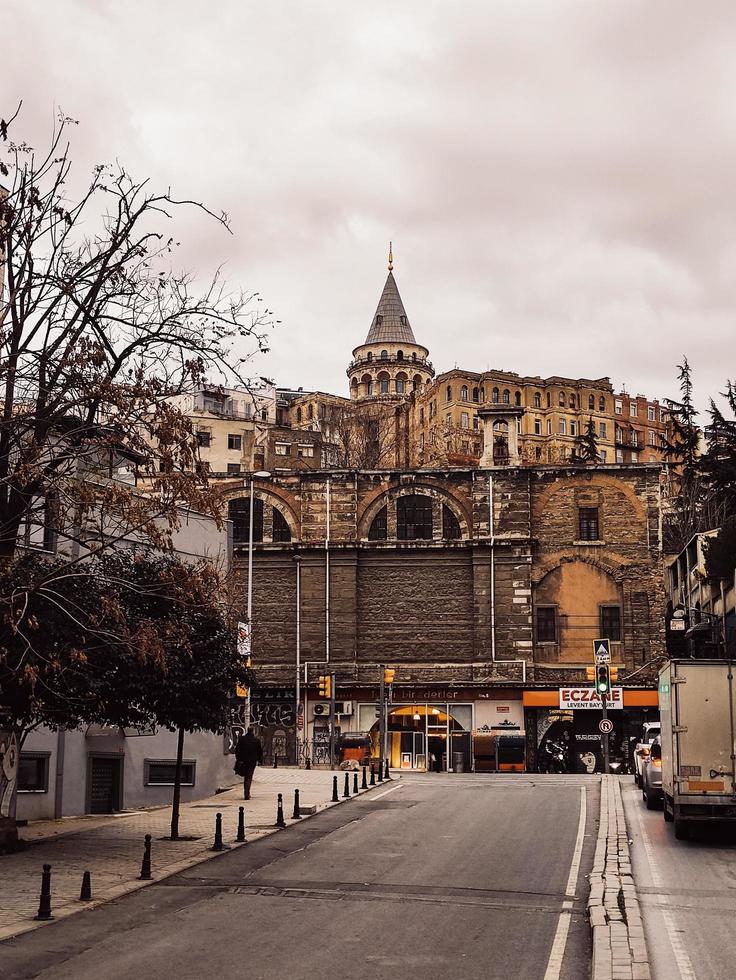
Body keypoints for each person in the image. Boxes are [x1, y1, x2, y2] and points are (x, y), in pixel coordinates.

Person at [235, 728, 263, 800]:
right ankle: (247, 793)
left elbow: (237, 750)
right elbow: (259, 751)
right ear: (253, 731)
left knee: (246, 777)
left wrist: (239, 759)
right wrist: (260, 760)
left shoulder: (242, 739)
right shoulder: (256, 740)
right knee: (249, 776)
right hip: (252, 761)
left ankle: (246, 792)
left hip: (244, 761)